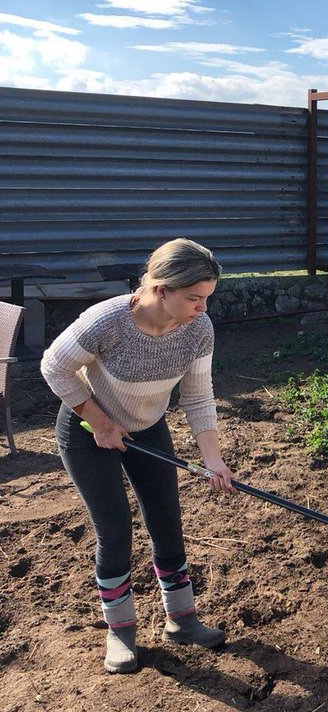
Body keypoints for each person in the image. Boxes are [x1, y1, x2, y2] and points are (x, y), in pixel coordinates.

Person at [41, 238, 236, 675]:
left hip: (147, 430)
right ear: (162, 289)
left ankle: (182, 619)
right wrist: (101, 422)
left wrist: (214, 459)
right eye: (193, 298)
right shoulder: (109, 320)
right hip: (89, 432)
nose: (201, 308)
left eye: (206, 298)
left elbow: (198, 396)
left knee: (167, 520)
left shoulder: (197, 329)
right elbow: (54, 365)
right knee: (115, 530)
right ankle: (121, 631)